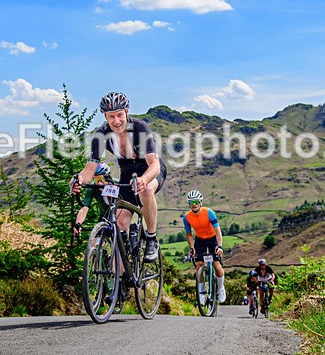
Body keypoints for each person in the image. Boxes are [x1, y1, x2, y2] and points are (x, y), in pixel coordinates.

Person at [72, 92, 167, 262]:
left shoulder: (139, 128)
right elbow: (89, 169)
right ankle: (120, 281)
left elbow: (155, 165)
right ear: (105, 116)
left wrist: (143, 180)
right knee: (120, 225)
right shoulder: (101, 134)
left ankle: (151, 239)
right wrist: (79, 180)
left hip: (150, 170)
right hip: (127, 174)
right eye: (111, 117)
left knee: (145, 191)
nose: (116, 121)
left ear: (127, 112)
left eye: (119, 115)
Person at [183, 190, 226, 303]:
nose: (194, 204)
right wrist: (192, 248)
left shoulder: (209, 212)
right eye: (191, 202)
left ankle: (221, 287)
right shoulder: (186, 217)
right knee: (199, 265)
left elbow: (217, 230)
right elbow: (188, 234)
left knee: (216, 265)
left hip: (212, 239)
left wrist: (220, 246)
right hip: (200, 240)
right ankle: (201, 292)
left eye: (196, 201)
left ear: (201, 202)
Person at [72, 162, 114, 236]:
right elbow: (84, 208)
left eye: (101, 179)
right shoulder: (93, 188)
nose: (99, 183)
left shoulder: (116, 184)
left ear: (108, 177)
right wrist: (78, 223)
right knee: (95, 241)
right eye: (96, 179)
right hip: (104, 216)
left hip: (118, 215)